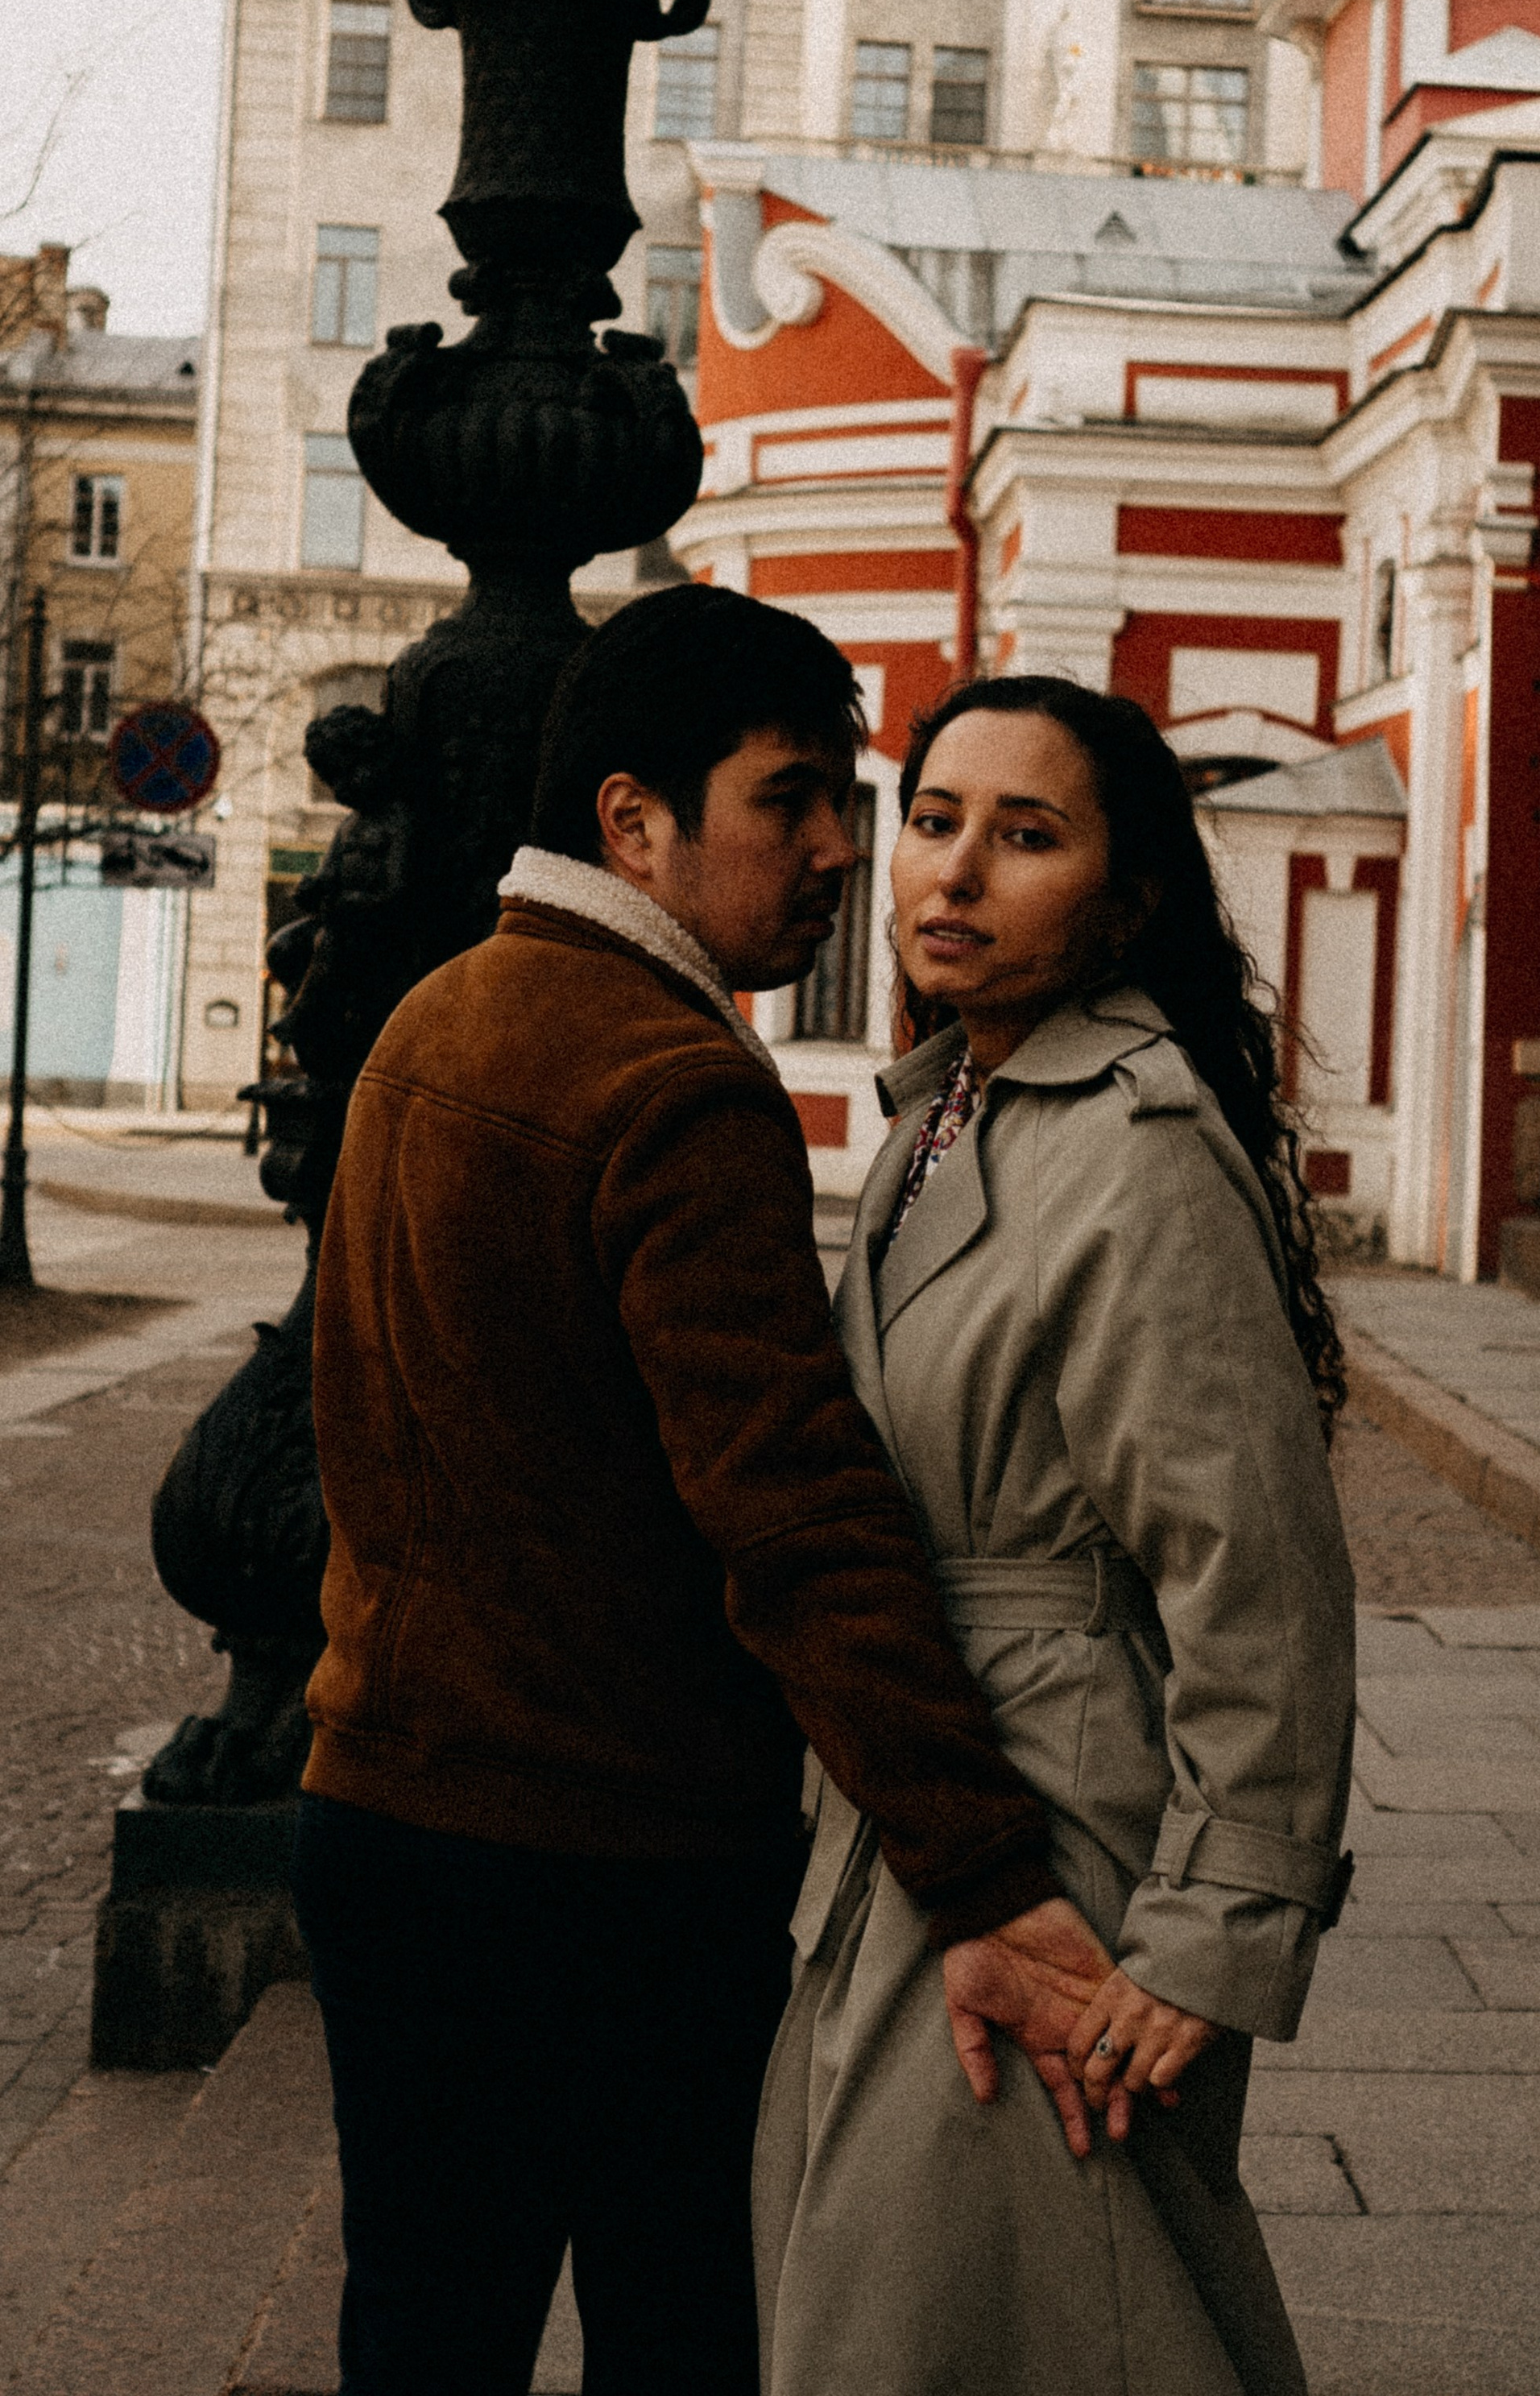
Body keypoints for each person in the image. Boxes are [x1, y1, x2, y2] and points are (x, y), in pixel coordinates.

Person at [293, 589, 1120, 2396]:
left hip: (382, 1817)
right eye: (785, 800)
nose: (841, 848)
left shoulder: (438, 1017)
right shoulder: (673, 1082)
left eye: (845, 798)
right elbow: (793, 1515)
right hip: (611, 1872)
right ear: (629, 821)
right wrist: (982, 1867)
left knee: (421, 2333)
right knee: (687, 2333)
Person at [755, 674, 1360, 2396]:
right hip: (916, 1794)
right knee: (961, 2311)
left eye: (1025, 838)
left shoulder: (1134, 1145)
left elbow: (1252, 1568)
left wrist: (1222, 1921)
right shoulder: (948, 1108)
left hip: (1065, 1820)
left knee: (1042, 2306)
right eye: (933, 821)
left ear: (1125, 895)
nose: (952, 873)